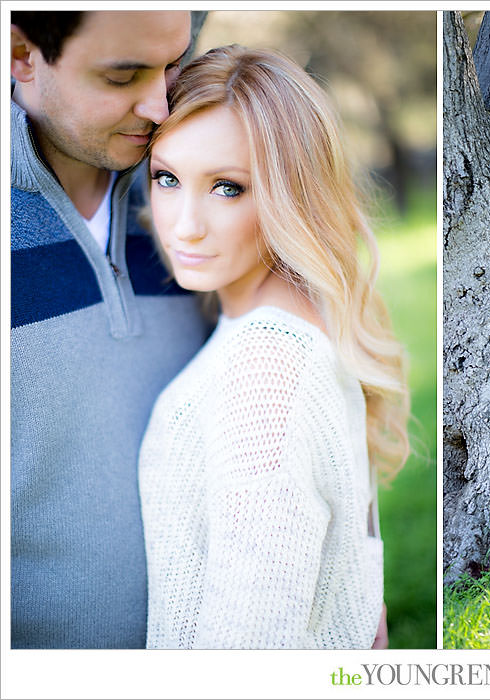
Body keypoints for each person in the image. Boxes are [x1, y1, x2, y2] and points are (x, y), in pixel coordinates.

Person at [138, 45, 410, 649]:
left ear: (292, 194)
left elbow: (249, 642)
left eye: (227, 188)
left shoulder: (267, 363)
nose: (184, 224)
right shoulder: (290, 323)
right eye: (167, 177)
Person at [10, 10, 208, 648]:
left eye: (174, 64)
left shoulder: (204, 184)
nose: (158, 105)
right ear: (21, 55)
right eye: (124, 76)